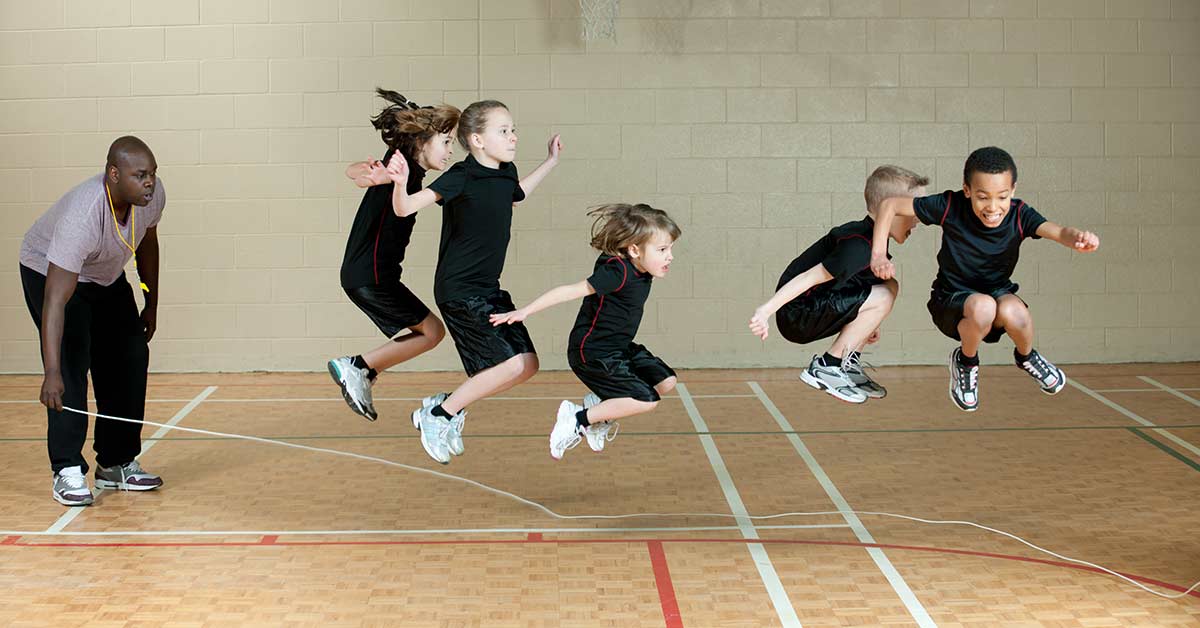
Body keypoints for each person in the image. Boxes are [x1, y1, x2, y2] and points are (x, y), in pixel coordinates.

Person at [388, 100, 562, 464]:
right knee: (512, 363)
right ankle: (438, 416)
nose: (513, 137)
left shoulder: (506, 172)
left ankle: (445, 407)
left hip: (489, 288)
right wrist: (401, 183)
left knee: (528, 364)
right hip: (460, 290)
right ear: (477, 140)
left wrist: (549, 163)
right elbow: (404, 208)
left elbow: (515, 197)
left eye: (513, 130)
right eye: (504, 131)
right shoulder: (460, 176)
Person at [869, 146, 1100, 412]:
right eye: (982, 197)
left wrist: (1078, 239)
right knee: (983, 306)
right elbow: (889, 205)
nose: (993, 207)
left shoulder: (1020, 214)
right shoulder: (950, 206)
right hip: (952, 301)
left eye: (1002, 197)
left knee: (1017, 313)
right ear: (967, 190)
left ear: (1013, 191)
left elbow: (1059, 232)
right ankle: (966, 362)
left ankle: (1026, 357)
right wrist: (878, 255)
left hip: (996, 293)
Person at [19, 136, 166, 506]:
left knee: (131, 352)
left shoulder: (150, 198)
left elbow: (148, 243)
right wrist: (51, 371)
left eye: (152, 174)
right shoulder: (85, 214)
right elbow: (55, 299)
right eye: (140, 175)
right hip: (49, 271)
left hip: (103, 274)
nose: (149, 182)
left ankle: (116, 463)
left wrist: (150, 302)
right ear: (113, 175)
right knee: (72, 360)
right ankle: (66, 469)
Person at [490, 204, 681, 460]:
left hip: (620, 348)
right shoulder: (617, 272)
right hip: (592, 352)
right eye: (662, 250)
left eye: (670, 248)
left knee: (666, 381)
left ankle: (599, 406)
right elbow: (569, 291)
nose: (670, 256)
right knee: (646, 400)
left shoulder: (641, 267)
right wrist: (524, 311)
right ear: (634, 250)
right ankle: (578, 419)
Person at [327, 89, 459, 421]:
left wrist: (369, 172)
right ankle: (358, 366)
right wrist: (380, 175)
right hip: (371, 276)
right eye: (446, 142)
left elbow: (352, 171)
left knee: (430, 332)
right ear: (423, 142)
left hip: (368, 275)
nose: (450, 151)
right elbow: (374, 174)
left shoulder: (399, 165)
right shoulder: (406, 172)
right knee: (432, 332)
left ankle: (364, 372)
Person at [749, 165, 928, 403]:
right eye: (915, 210)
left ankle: (848, 362)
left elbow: (857, 287)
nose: (920, 218)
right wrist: (765, 311)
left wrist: (865, 326)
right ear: (891, 210)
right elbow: (808, 278)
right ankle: (827, 366)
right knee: (884, 294)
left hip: (816, 306)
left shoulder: (871, 241)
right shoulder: (858, 246)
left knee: (889, 286)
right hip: (797, 313)